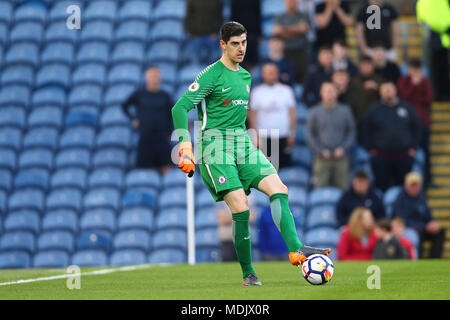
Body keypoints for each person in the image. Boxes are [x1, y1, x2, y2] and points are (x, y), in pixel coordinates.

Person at [171, 22, 331, 287]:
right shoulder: (211, 74)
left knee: (279, 188)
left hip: (241, 142)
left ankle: (296, 248)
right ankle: (248, 273)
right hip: (214, 147)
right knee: (241, 207)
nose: (241, 48)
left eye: (244, 42)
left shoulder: (246, 77)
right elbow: (179, 108)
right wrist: (186, 148)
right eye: (235, 43)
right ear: (223, 44)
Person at [362, 81, 422, 192]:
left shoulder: (407, 107)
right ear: (380, 93)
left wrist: (414, 147)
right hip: (381, 156)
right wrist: (369, 148)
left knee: (403, 188)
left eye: (390, 89)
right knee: (382, 188)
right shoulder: (374, 109)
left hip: (403, 156)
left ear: (395, 91)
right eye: (385, 90)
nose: (388, 92)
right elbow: (365, 129)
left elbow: (417, 128)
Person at [122, 67, 173, 173]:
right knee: (147, 168)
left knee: (166, 165)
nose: (154, 78)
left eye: (156, 75)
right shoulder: (139, 94)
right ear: (146, 77)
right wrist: (133, 119)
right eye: (152, 76)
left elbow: (171, 114)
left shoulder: (165, 96)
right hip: (146, 136)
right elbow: (125, 106)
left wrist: (170, 133)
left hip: (162, 137)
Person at [306, 82, 355, 190]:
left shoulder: (345, 111)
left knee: (343, 188)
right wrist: (320, 150)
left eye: (332, 91)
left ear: (336, 93)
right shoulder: (314, 112)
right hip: (321, 157)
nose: (329, 94)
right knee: (319, 188)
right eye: (327, 91)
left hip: (341, 156)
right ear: (321, 94)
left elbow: (351, 132)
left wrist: (343, 148)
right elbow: (310, 134)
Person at [248, 63, 297, 170]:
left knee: (284, 169)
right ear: (263, 74)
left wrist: (292, 133)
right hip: (264, 137)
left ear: (277, 74)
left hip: (283, 135)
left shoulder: (286, 91)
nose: (270, 75)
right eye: (268, 72)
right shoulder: (257, 92)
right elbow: (252, 115)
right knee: (266, 171)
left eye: (273, 72)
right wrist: (255, 135)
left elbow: (292, 113)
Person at [397, 58, 433, 187]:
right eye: (412, 69)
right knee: (407, 153)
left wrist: (417, 86)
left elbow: (429, 98)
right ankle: (406, 182)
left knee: (426, 152)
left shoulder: (425, 81)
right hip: (407, 124)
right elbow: (404, 97)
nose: (414, 72)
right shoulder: (403, 81)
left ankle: (428, 180)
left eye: (417, 70)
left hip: (423, 122)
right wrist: (414, 85)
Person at [392, 172, 445, 259]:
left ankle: (434, 259)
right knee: (416, 234)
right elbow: (402, 220)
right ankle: (419, 258)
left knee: (440, 232)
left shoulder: (421, 197)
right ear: (406, 185)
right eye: (412, 185)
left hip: (423, 228)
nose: (414, 187)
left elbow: (428, 215)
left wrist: (433, 223)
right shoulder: (400, 199)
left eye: (416, 185)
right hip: (408, 228)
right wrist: (425, 226)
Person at [346, 55, 383, 143]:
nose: (366, 67)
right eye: (364, 65)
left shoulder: (379, 80)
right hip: (358, 119)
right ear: (360, 66)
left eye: (369, 65)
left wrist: (377, 88)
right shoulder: (353, 81)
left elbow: (386, 98)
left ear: (373, 66)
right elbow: (349, 99)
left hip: (376, 119)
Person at [272, 0, 310, 83]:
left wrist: (284, 30)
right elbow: (276, 31)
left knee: (303, 78)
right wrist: (297, 29)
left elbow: (304, 29)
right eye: (288, 1)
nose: (291, 3)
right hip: (286, 52)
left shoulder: (302, 15)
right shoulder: (280, 16)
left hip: (301, 51)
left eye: (293, 1)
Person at [184, 0, 223, 65]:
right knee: (195, 65)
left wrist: (216, 31)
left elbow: (220, 17)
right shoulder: (192, 1)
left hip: (211, 36)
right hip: (196, 36)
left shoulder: (217, 1)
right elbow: (188, 17)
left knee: (212, 64)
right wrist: (190, 32)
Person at [230, 0, 261, 70]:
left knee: (252, 60)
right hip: (238, 34)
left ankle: (249, 75)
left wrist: (259, 34)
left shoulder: (256, 1)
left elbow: (258, 15)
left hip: (253, 34)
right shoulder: (235, 1)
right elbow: (233, 16)